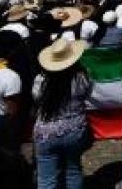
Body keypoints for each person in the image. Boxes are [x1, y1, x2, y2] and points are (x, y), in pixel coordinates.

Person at [32, 38, 93, 189]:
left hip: (45, 133)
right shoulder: (82, 77)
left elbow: (36, 100)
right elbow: (87, 95)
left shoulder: (40, 80)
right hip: (75, 130)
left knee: (46, 178)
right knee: (73, 170)